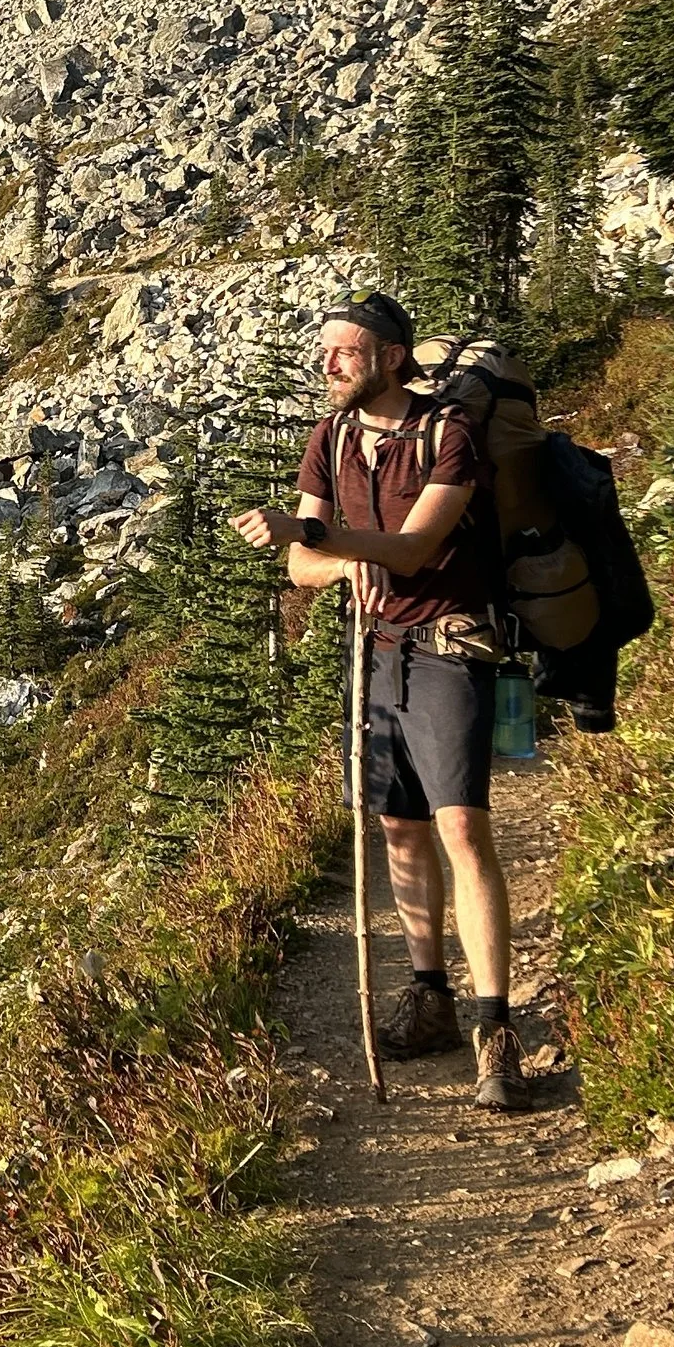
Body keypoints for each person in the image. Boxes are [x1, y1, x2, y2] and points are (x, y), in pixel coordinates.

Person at [233, 289, 530, 1113]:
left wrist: (314, 538)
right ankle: (430, 989)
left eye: (346, 351)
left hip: (448, 644)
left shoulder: (449, 434)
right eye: (326, 350)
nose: (328, 363)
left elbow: (415, 545)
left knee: (461, 824)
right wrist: (331, 560)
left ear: (392, 358)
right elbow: (305, 571)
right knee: (398, 825)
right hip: (377, 651)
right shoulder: (329, 438)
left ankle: (495, 1027)